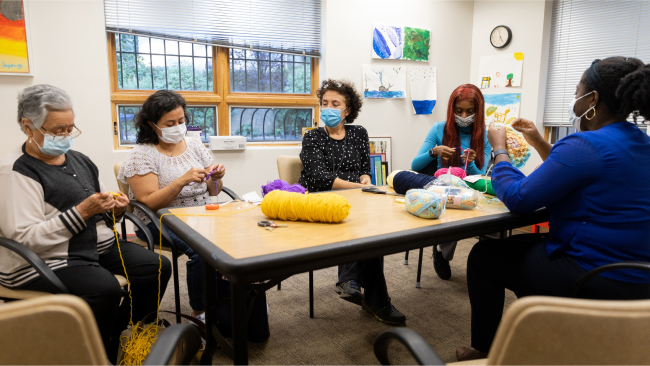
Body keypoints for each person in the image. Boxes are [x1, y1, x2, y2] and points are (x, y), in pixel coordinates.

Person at [456, 56, 650, 361]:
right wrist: (538, 142)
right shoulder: (640, 142)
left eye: (576, 93)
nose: (574, 101)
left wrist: (500, 149)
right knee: (517, 248)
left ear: (593, 99)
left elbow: (520, 198)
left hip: (596, 275)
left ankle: (485, 352)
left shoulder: (586, 145)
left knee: (484, 256)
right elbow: (576, 173)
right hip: (638, 275)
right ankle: (544, 333)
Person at [0, 84, 172, 363]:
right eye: (57, 130)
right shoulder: (15, 172)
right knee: (103, 289)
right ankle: (93, 354)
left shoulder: (80, 160)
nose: (66, 136)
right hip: (45, 257)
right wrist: (81, 212)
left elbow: (102, 210)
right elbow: (24, 237)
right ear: (28, 126)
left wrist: (116, 210)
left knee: (156, 267)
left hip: (93, 244)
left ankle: (121, 336)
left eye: (70, 128)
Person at [299, 79, 406, 325]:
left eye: (335, 103)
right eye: (324, 103)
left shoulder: (359, 133)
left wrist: (365, 179)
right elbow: (318, 178)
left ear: (347, 110)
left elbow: (364, 169)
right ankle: (374, 298)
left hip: (356, 197)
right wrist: (360, 186)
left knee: (372, 229)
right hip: (320, 200)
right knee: (358, 225)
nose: (328, 107)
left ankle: (353, 283)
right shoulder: (313, 137)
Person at [118, 90, 225, 322]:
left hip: (201, 213)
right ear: (152, 124)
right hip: (160, 219)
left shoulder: (194, 145)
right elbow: (148, 203)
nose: (178, 126)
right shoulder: (141, 155)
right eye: (170, 123)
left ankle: (229, 300)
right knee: (202, 250)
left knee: (234, 238)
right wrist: (181, 180)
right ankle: (201, 313)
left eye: (181, 121)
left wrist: (215, 179)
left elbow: (214, 192)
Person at [411, 84, 491, 280]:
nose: (464, 116)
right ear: (451, 110)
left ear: (478, 111)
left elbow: (480, 175)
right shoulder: (439, 128)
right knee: (454, 208)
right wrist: (434, 151)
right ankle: (441, 252)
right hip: (442, 187)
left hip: (470, 188)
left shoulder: (484, 136)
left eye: (470, 111)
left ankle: (486, 258)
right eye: (459, 111)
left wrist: (469, 163)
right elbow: (415, 164)